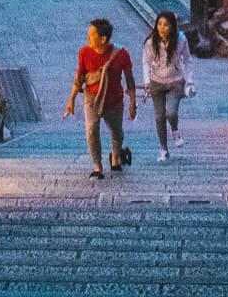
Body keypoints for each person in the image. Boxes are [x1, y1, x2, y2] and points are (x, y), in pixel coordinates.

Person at [68, 17, 135, 180]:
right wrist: (71, 99)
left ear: (103, 39)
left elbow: (130, 80)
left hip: (114, 100)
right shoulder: (84, 52)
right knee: (91, 129)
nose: (88, 38)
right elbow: (80, 77)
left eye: (91, 35)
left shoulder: (122, 54)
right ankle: (97, 165)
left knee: (117, 133)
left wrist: (133, 103)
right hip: (92, 97)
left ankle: (116, 157)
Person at [142, 10, 191, 157]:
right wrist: (146, 81)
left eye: (166, 25)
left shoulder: (181, 39)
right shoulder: (151, 42)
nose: (162, 28)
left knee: (171, 112)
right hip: (156, 82)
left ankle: (175, 130)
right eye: (160, 24)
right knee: (159, 116)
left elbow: (187, 59)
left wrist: (190, 81)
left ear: (173, 26)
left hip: (176, 81)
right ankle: (164, 148)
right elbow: (146, 62)